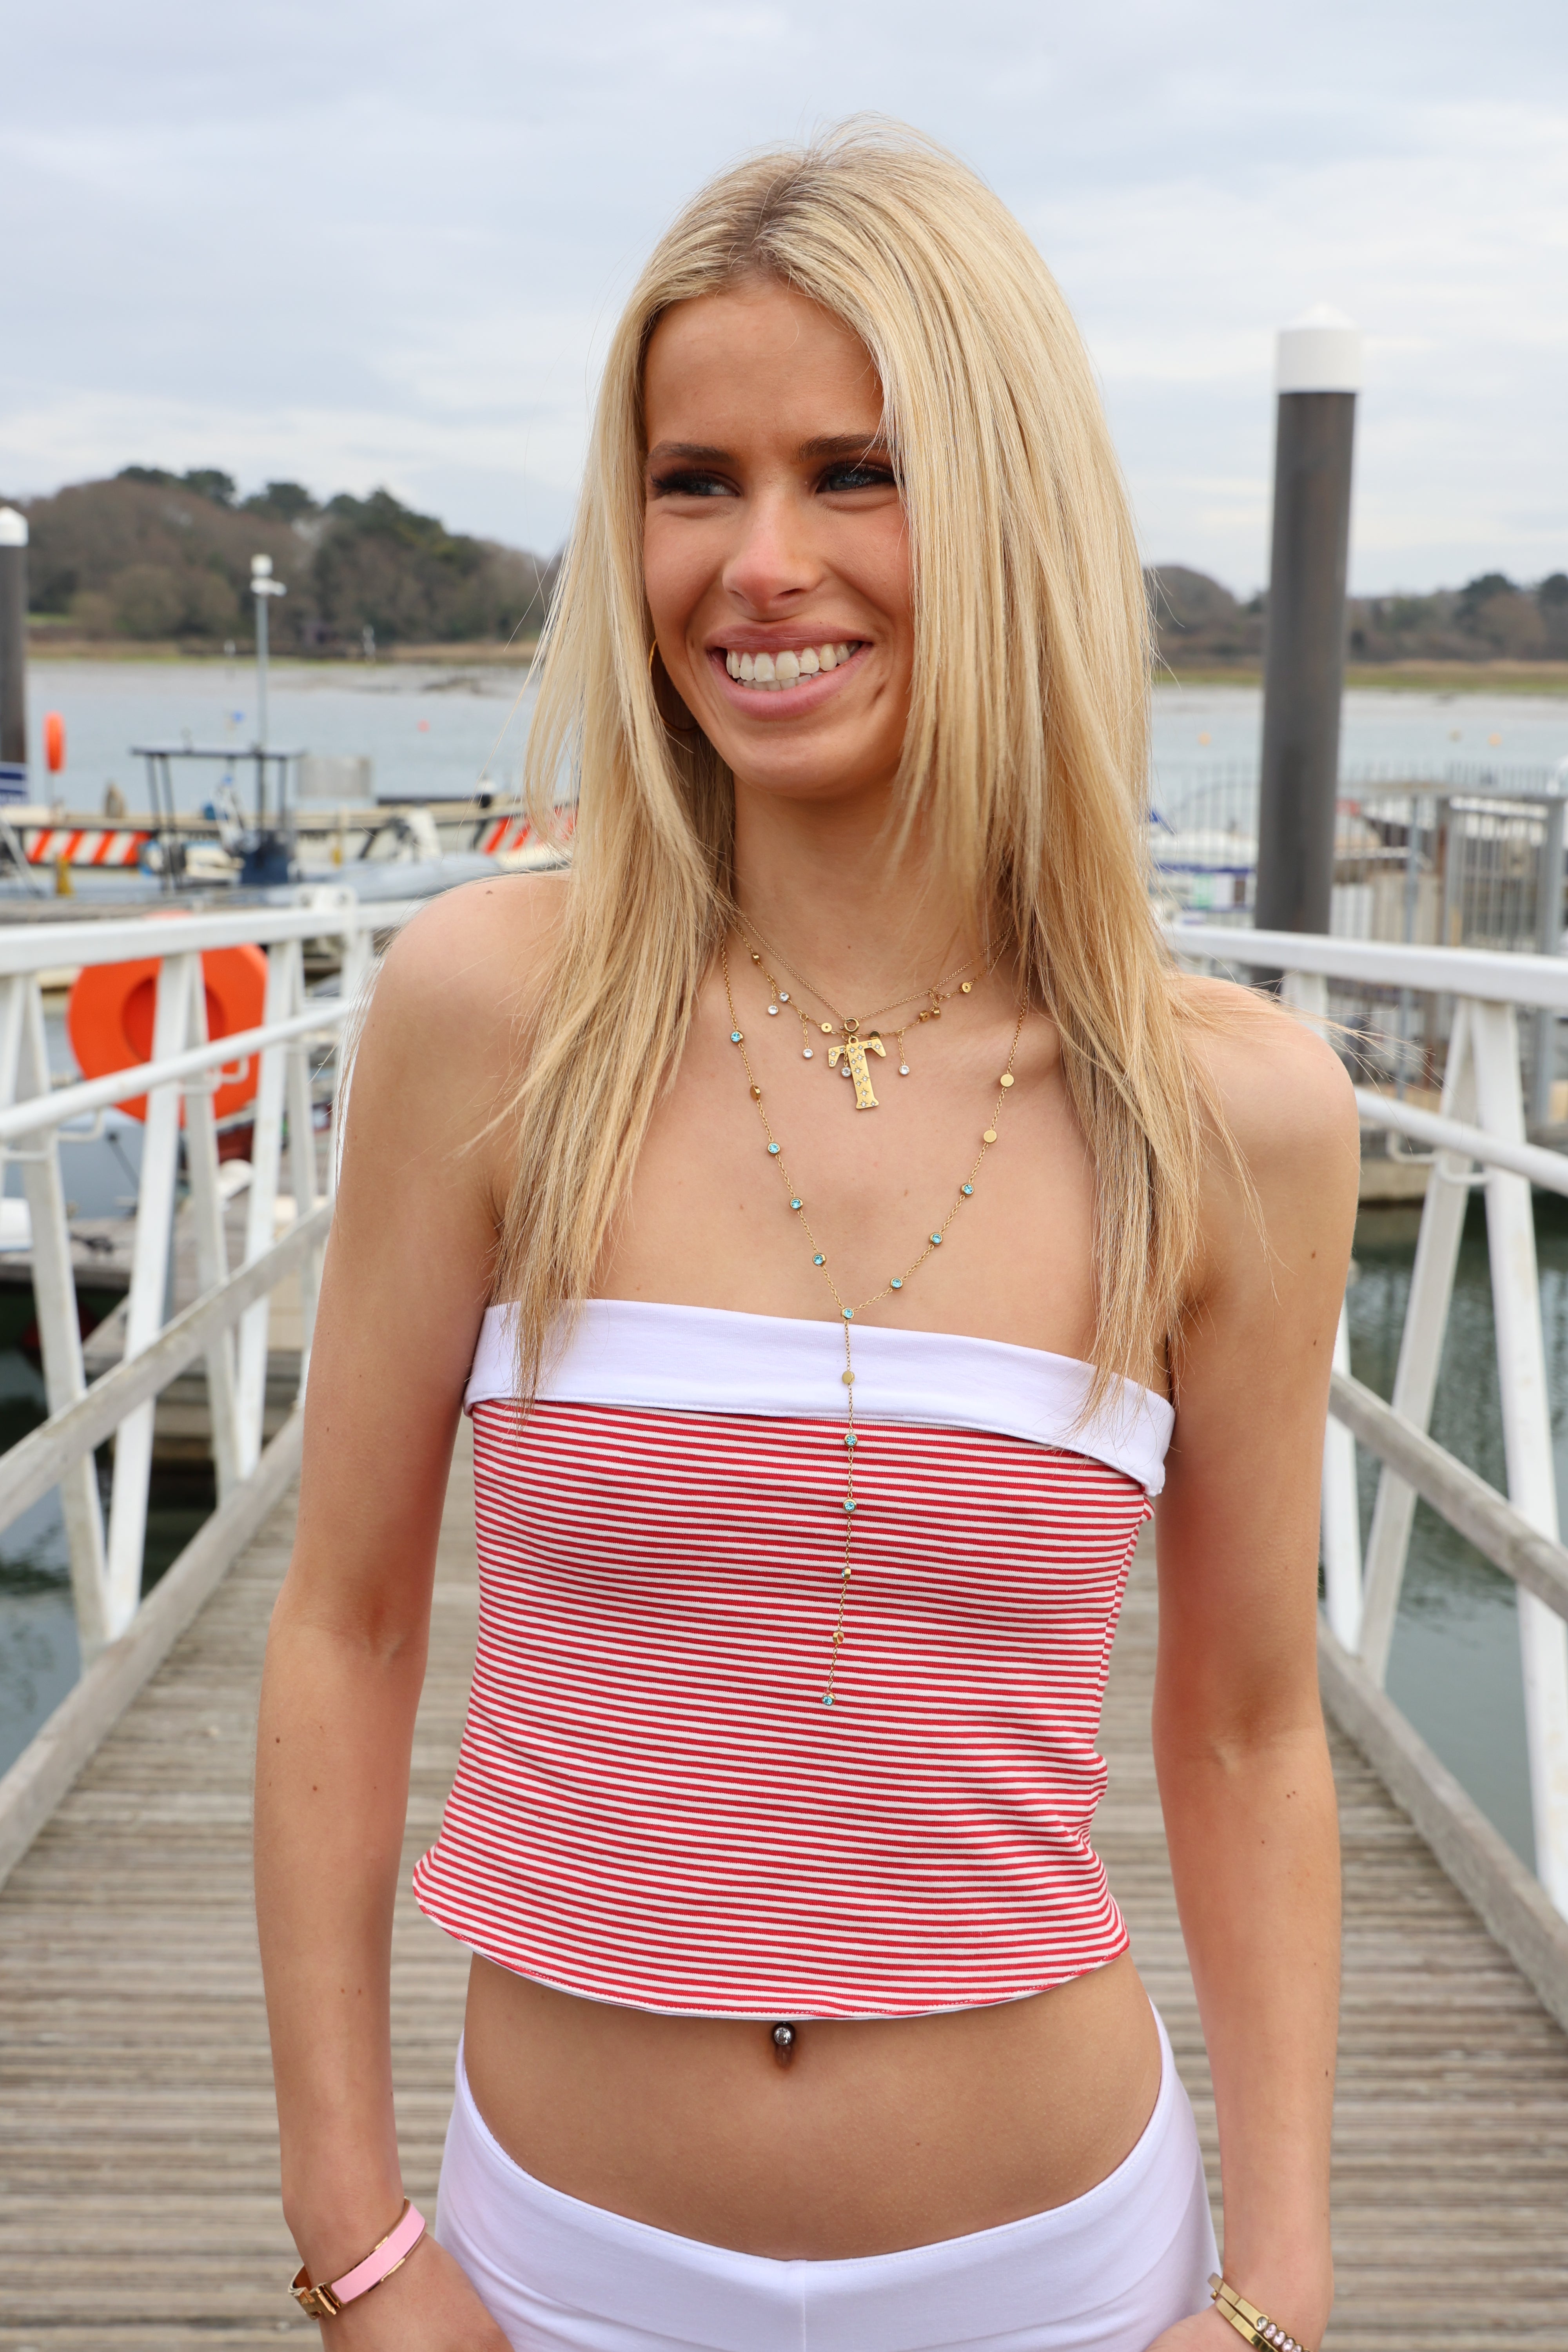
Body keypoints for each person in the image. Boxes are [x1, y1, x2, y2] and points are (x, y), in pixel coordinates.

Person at [255, 120, 1356, 2352]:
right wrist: (354, 2239)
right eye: (697, 482)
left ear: (1014, 507)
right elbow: (343, 1627)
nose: (762, 565)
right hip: (557, 2268)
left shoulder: (1231, 1113)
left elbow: (1249, 1732)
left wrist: (1285, 2288)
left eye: (858, 473)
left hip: (1060, 2277)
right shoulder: (495, 1017)